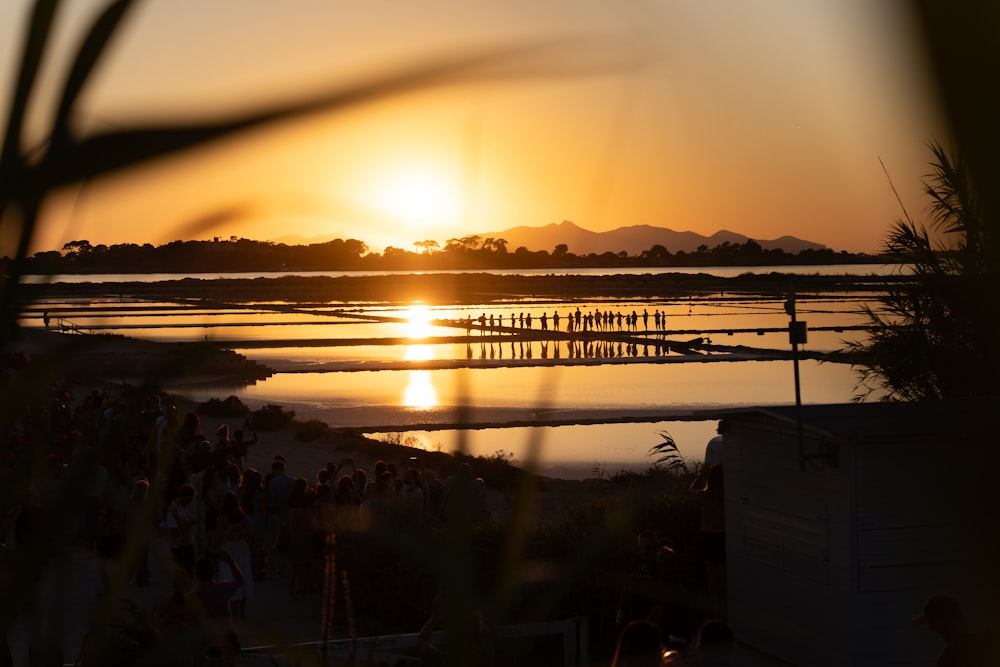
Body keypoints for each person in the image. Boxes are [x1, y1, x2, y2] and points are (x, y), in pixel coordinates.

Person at [187, 549, 244, 661]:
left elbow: (191, 625)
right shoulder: (223, 589)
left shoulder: (193, 598)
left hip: (206, 642)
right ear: (213, 572)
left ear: (197, 575)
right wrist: (230, 561)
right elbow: (240, 580)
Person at [914, 595, 999, 666]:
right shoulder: (993, 642)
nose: (933, 630)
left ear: (944, 620)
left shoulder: (950, 657)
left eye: (933, 625)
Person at [166, 483, 199, 575]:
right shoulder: (172, 510)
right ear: (183, 496)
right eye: (189, 499)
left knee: (190, 572)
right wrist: (188, 524)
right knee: (183, 574)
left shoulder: (185, 506)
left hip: (188, 544)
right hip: (178, 547)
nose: (190, 502)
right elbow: (173, 531)